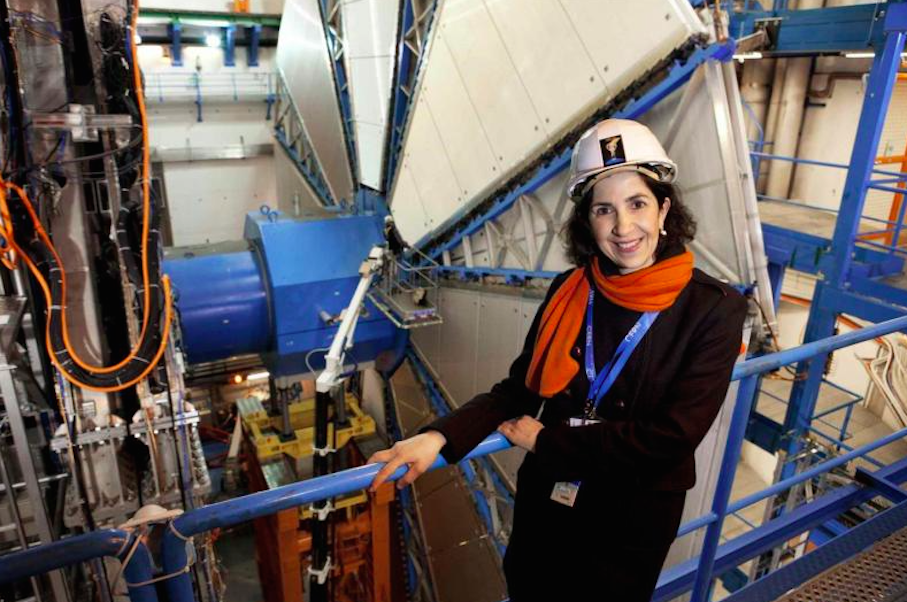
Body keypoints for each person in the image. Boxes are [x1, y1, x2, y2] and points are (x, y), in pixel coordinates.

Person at [367, 119, 748, 601]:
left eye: (638, 204)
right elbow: (519, 390)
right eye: (604, 210)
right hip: (548, 507)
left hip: (629, 519)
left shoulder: (712, 309)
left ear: (664, 209)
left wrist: (549, 441)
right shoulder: (571, 291)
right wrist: (439, 437)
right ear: (588, 221)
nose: (623, 227)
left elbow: (670, 439)